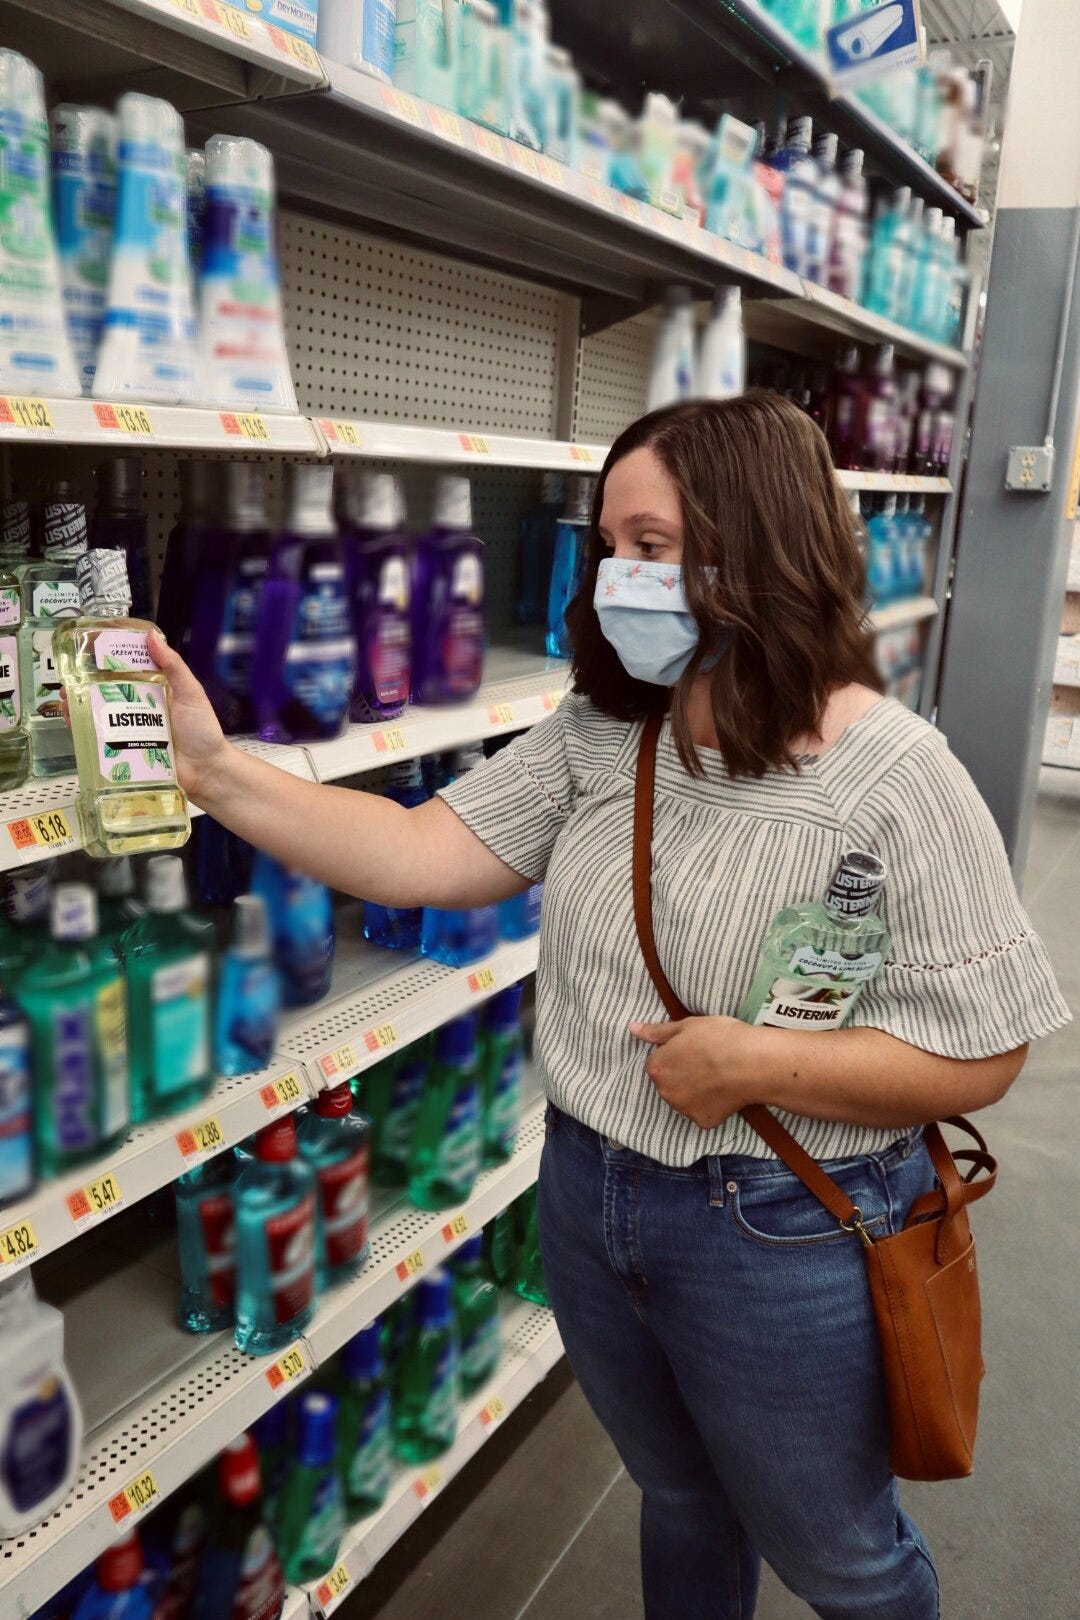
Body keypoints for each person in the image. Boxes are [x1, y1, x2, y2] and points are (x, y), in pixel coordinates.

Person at [151, 393, 1070, 1620]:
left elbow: (987, 1052)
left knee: (843, 1559)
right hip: (589, 1193)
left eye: (652, 547)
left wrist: (759, 1064)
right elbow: (422, 853)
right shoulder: (608, 733)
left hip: (781, 1228)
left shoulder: (898, 779)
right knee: (679, 1497)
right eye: (608, 546)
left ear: (760, 545)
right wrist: (215, 771)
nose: (616, 577)